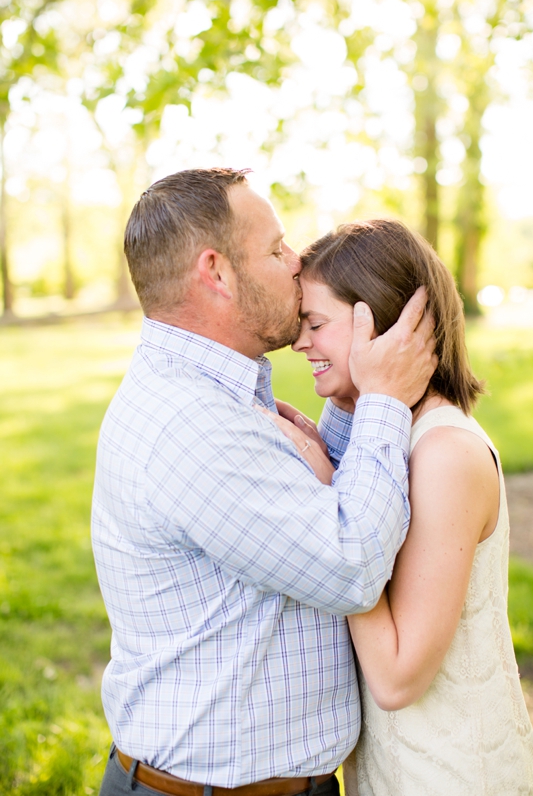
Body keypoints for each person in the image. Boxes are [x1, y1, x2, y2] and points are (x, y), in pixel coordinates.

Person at [92, 168, 437, 795]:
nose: (297, 258)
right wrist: (384, 398)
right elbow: (352, 566)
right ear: (217, 272)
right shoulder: (191, 424)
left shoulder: (218, 395)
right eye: (276, 248)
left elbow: (325, 495)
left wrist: (354, 384)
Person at [280, 219, 533, 794]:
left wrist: (331, 499)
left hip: (454, 774)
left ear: (380, 326)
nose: (299, 343)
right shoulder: (394, 438)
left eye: (316, 324)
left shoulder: (446, 453)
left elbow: (399, 678)